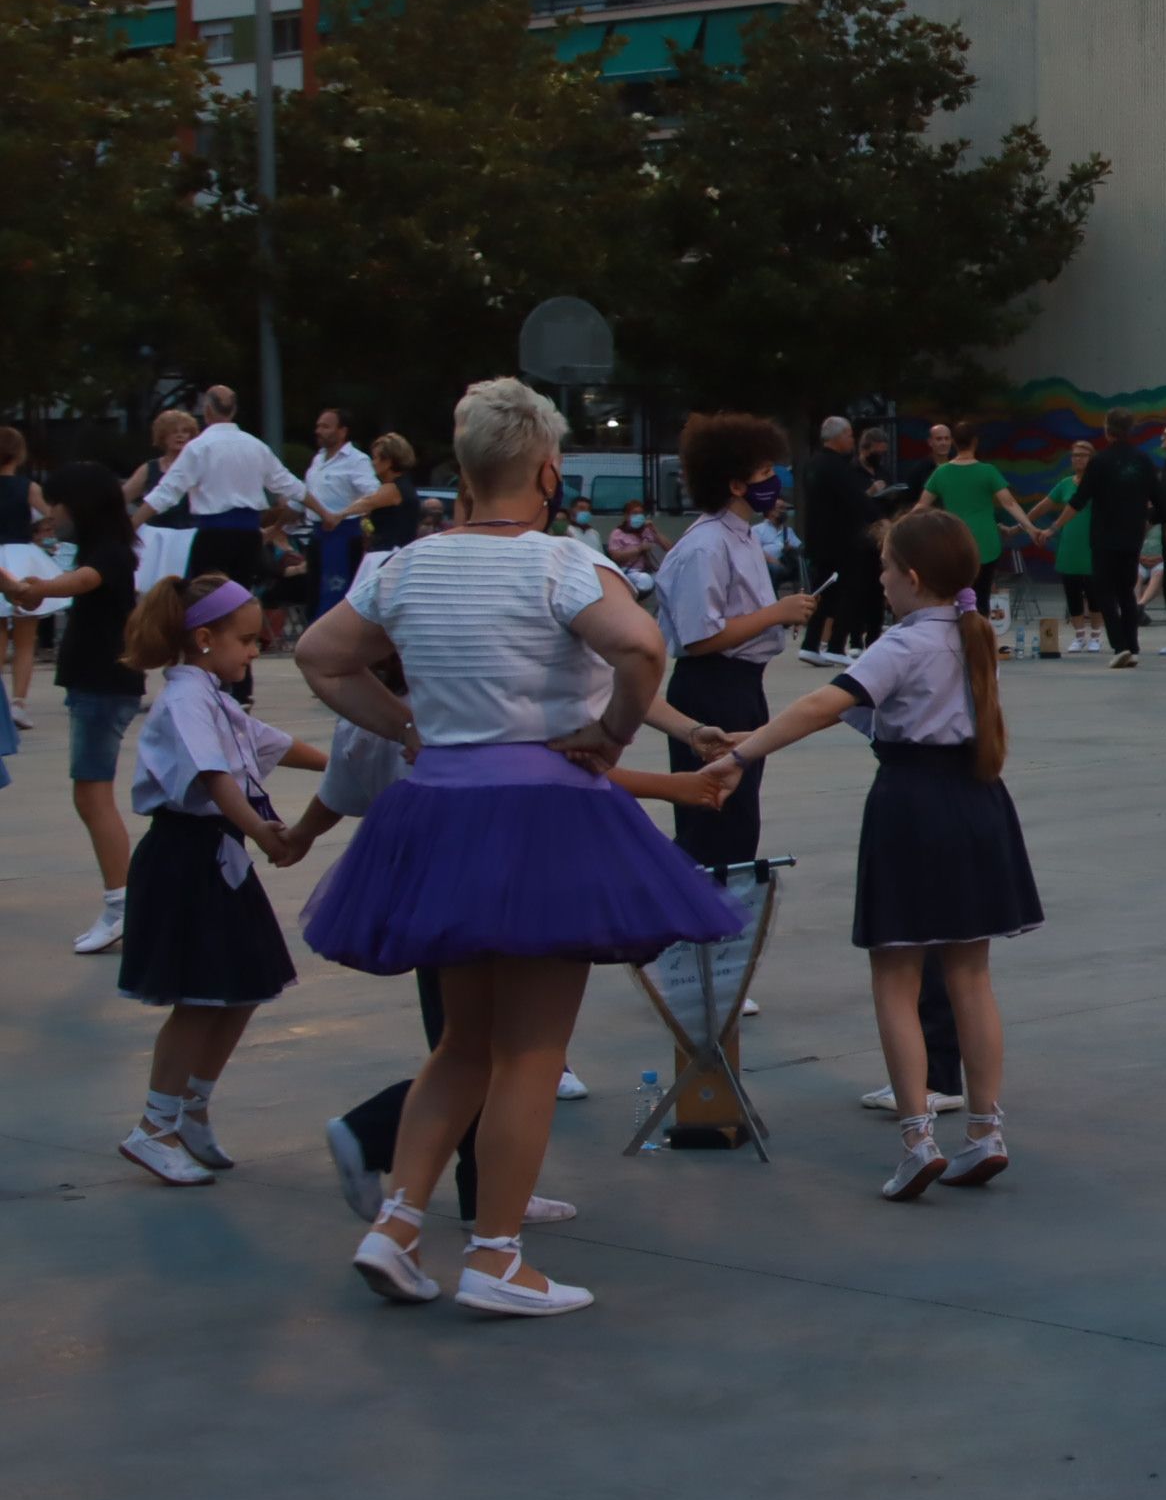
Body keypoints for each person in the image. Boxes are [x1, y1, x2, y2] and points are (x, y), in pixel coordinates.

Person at [295, 377, 743, 1319]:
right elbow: (640, 650)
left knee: (462, 1041)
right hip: (543, 814)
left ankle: (398, 1222)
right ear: (548, 470)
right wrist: (615, 735)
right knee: (533, 1047)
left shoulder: (405, 566)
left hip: (443, 807)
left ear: (463, 470)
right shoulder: (563, 564)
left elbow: (321, 656)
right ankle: (497, 1255)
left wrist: (408, 726)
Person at [724, 507, 1042, 1201]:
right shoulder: (970, 634)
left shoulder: (902, 643)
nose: (882, 582)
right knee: (970, 977)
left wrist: (741, 753)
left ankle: (917, 1139)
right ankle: (986, 1131)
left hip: (912, 805)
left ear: (913, 576)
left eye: (886, 570)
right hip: (977, 800)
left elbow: (820, 705)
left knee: (895, 977)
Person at [103, 573, 326, 1184]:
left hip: (216, 856)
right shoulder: (184, 700)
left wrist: (351, 765)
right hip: (185, 858)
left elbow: (272, 745)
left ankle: (191, 1108)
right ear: (204, 638)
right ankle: (153, 1125)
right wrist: (261, 830)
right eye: (248, 640)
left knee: (243, 985)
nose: (255, 651)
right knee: (199, 1000)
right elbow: (213, 777)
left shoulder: (214, 694)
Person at [654, 412, 816, 869]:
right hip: (712, 688)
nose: (774, 481)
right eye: (764, 473)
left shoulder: (741, 537)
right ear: (736, 485)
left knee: (740, 817)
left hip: (743, 685)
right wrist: (775, 614)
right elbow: (700, 637)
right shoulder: (705, 546)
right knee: (713, 818)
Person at [3, 465, 145, 954]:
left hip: (104, 687)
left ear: (79, 507)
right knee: (90, 794)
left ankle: (122, 904)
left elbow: (78, 583)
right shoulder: (102, 549)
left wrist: (31, 589)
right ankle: (122, 902)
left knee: (92, 796)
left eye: (57, 506)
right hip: (96, 686)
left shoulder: (108, 555)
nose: (51, 515)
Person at [142, 385, 308, 589]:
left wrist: (132, 524)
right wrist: (326, 514)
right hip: (248, 537)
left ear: (207, 410)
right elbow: (292, 486)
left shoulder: (199, 447)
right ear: (234, 410)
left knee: (207, 598)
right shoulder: (255, 445)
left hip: (215, 533)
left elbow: (166, 492)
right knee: (240, 597)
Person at [1076, 416, 1166, 668]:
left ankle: (1120, 645)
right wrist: (1164, 524)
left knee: (1104, 592)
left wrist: (1053, 527)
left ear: (1108, 431)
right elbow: (1161, 500)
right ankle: (1133, 647)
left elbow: (1079, 499)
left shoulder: (1100, 462)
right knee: (1126, 592)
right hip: (1131, 537)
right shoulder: (1142, 461)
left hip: (1104, 537)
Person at [920, 421, 1039, 609]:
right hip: (986, 542)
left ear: (954, 442)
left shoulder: (940, 473)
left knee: (955, 597)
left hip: (954, 541)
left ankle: (958, 635)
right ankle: (979, 633)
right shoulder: (987, 472)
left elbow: (921, 506)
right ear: (975, 442)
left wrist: (896, 529)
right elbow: (1009, 503)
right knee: (981, 597)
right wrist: (1030, 528)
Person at [798, 415, 877, 665]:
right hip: (842, 541)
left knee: (824, 593)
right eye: (849, 435)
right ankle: (836, 645)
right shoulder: (836, 466)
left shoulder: (813, 464)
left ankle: (811, 644)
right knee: (849, 591)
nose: (852, 440)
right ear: (838, 437)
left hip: (819, 539)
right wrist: (880, 517)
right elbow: (855, 499)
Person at [301, 406, 379, 619]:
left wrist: (343, 514)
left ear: (342, 431)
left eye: (326, 426)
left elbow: (372, 493)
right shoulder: (318, 459)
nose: (319, 431)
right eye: (318, 426)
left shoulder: (356, 460)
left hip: (342, 534)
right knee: (316, 590)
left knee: (336, 590)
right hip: (318, 532)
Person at [1036, 437, 1101, 655]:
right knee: (1072, 591)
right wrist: (1022, 525)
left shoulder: (1098, 484)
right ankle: (1079, 636)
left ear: (1091, 459)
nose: (1077, 459)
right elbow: (1045, 505)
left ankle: (1096, 636)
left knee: (1094, 593)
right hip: (1069, 546)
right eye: (1074, 455)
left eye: (1082, 455)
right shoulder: (1065, 484)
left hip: (1092, 545)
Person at [0, 424, 43, 727]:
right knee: (27, 638)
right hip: (22, 555)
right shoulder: (28, 487)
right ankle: (19, 702)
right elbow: (52, 514)